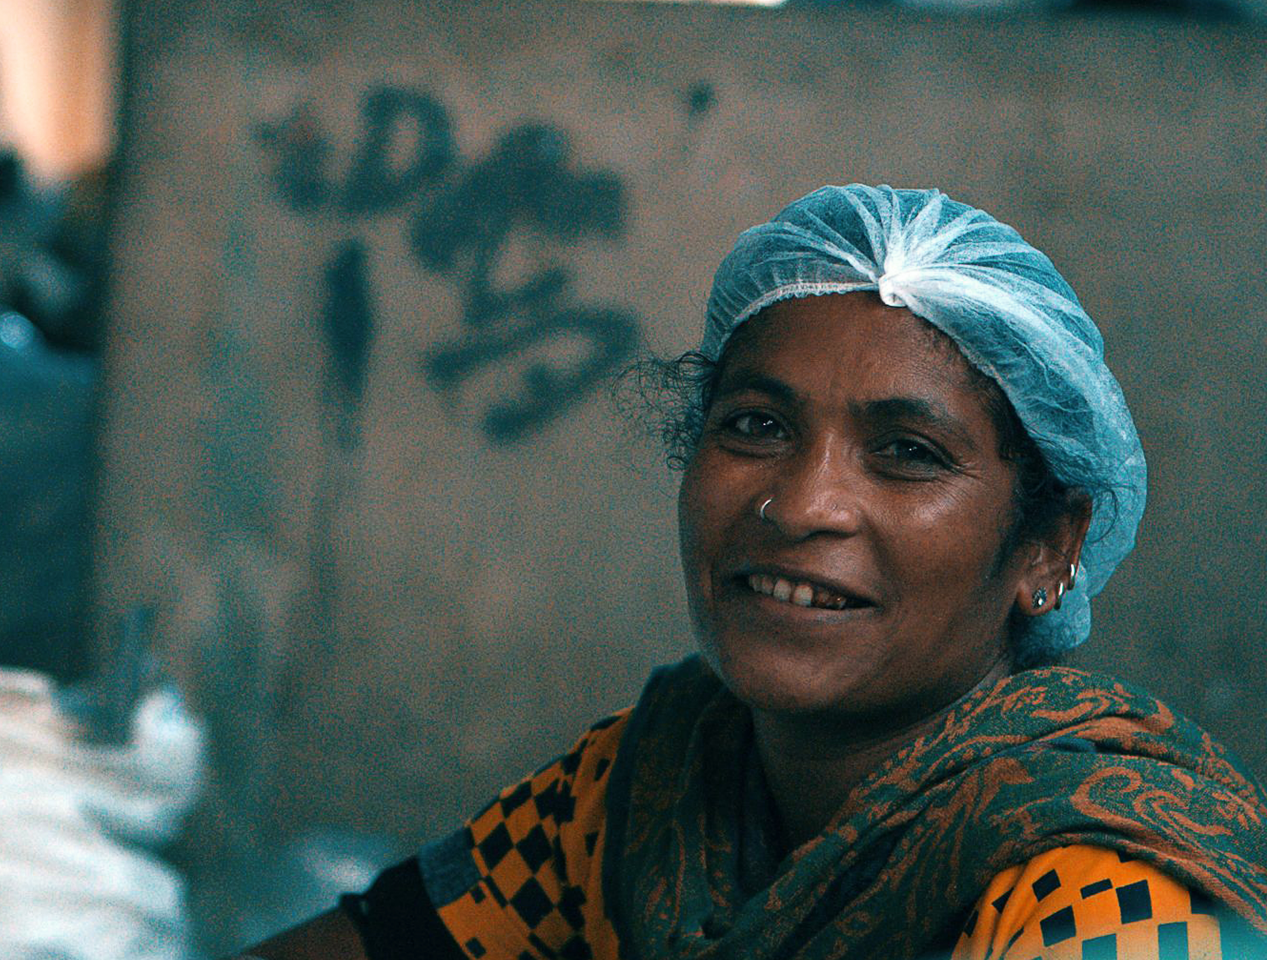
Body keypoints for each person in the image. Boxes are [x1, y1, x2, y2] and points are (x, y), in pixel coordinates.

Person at [234, 185, 1267, 960]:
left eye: (906, 451)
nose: (799, 502)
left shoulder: (1117, 897)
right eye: (756, 426)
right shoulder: (656, 793)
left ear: (1047, 549)